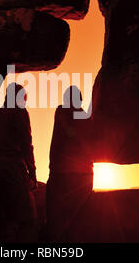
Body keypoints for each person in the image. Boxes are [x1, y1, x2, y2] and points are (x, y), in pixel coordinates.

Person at [0, 83, 37, 242]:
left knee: (0, 217)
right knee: (25, 216)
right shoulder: (18, 113)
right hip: (12, 168)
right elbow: (26, 143)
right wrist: (32, 171)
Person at [46, 86, 93, 242]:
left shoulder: (62, 111)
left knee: (58, 216)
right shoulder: (84, 116)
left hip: (63, 172)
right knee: (80, 218)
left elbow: (66, 134)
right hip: (82, 173)